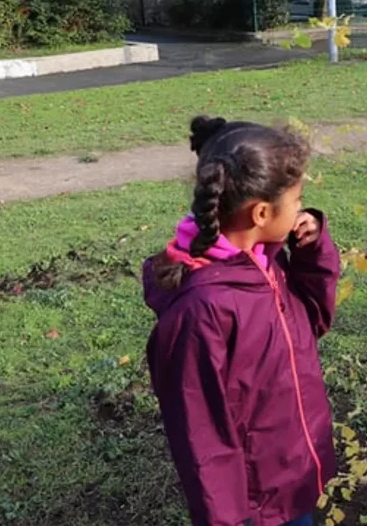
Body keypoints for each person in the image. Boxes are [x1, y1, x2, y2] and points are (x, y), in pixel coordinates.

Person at [143, 116, 340, 526]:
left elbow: (312, 321)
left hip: (290, 476)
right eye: (298, 200)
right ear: (262, 213)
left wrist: (310, 251)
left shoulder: (267, 263)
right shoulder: (202, 312)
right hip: (253, 505)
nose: (301, 209)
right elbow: (202, 436)